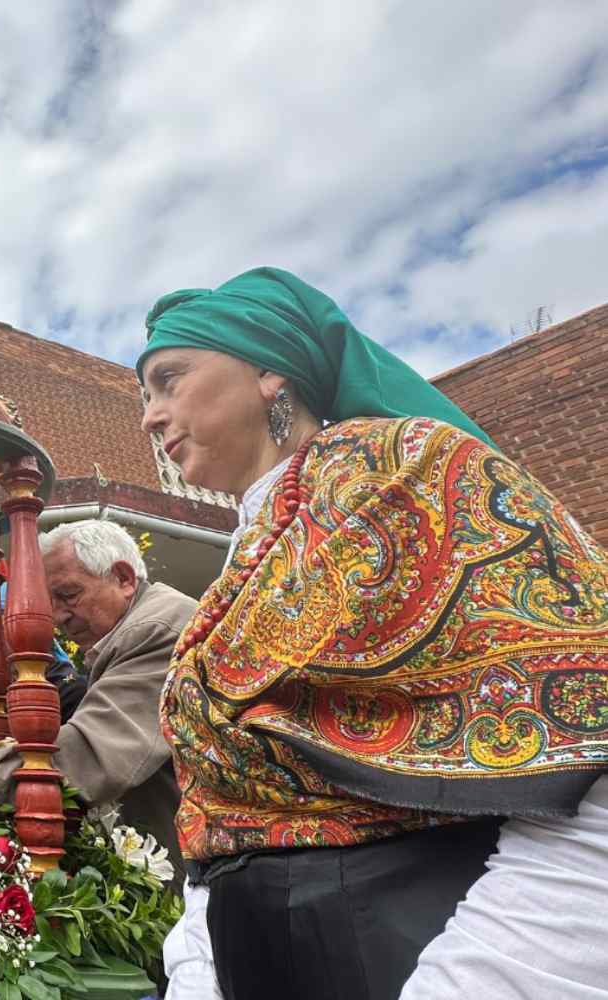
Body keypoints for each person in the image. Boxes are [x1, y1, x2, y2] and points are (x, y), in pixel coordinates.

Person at [136, 266, 608, 1000]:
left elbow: (584, 759)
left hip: (418, 956)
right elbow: (225, 812)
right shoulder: (248, 556)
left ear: (269, 371)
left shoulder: (411, 473)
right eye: (145, 394)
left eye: (169, 378)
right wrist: (197, 970)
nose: (151, 416)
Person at [0, 517, 196, 885]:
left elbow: (90, 751)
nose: (55, 617)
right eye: (49, 601)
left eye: (68, 595)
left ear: (124, 578)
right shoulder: (128, 635)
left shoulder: (157, 629)